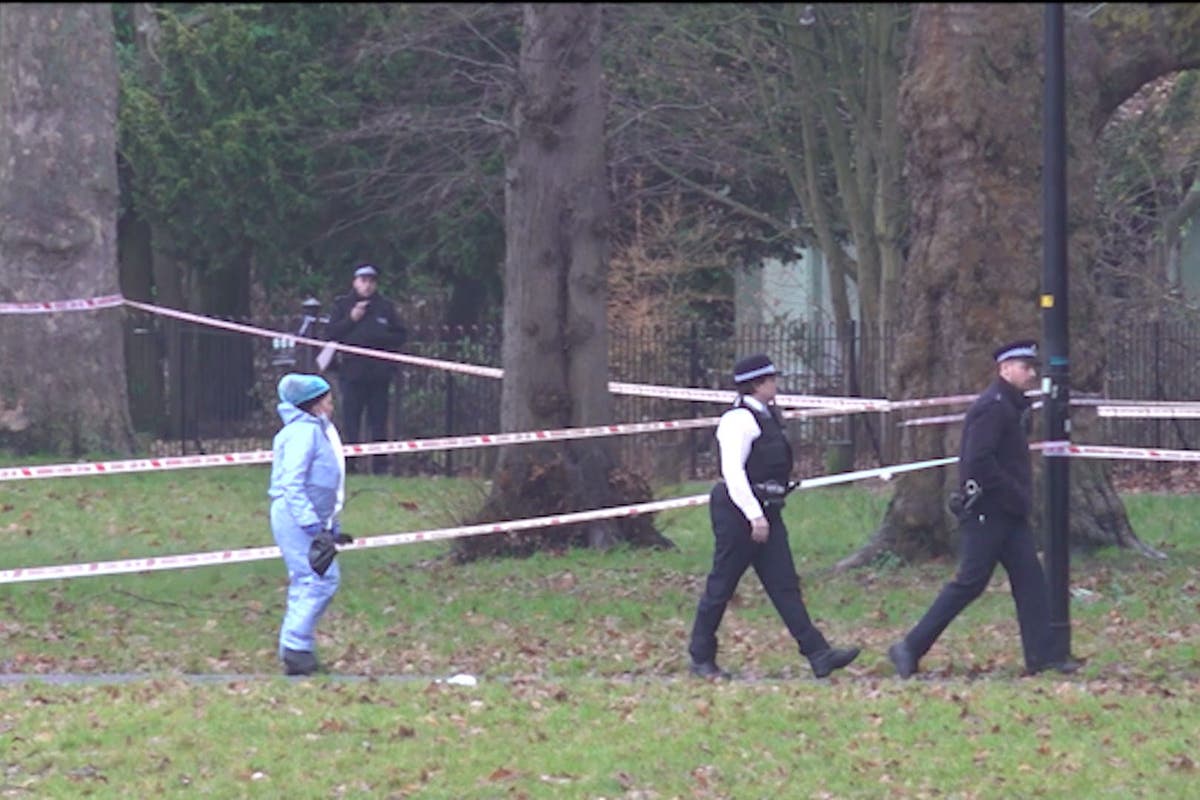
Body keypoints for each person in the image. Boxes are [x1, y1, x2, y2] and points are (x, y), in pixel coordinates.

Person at [887, 340, 1081, 679]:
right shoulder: (992, 407)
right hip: (988, 512)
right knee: (969, 583)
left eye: (1032, 367)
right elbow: (978, 460)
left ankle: (1043, 656)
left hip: (1008, 513)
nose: (1031, 374)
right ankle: (910, 646)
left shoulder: (1012, 406)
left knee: (1031, 581)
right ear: (1005, 369)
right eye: (1025, 367)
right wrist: (1010, 493)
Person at [687, 353, 861, 680]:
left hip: (768, 509)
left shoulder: (768, 417)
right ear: (757, 384)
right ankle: (700, 656)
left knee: (784, 585)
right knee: (722, 584)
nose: (775, 385)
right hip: (739, 512)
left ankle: (818, 653)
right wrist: (754, 516)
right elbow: (733, 473)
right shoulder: (738, 421)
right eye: (770, 380)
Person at [269, 373, 350, 676]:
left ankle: (296, 649)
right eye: (327, 400)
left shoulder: (314, 431)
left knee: (307, 579)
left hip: (310, 518)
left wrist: (330, 526)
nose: (332, 405)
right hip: (298, 518)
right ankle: (295, 647)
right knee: (321, 579)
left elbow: (327, 484)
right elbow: (293, 482)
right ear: (314, 405)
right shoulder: (303, 434)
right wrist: (311, 525)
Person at [325, 264, 407, 475]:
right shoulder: (342, 305)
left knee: (378, 421)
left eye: (371, 281)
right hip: (352, 373)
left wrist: (377, 340)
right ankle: (350, 465)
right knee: (351, 421)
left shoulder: (385, 307)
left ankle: (380, 466)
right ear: (355, 282)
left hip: (379, 375)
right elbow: (331, 333)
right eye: (363, 280)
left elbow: (400, 335)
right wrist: (351, 319)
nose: (367, 285)